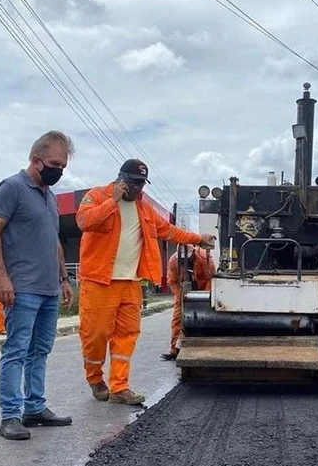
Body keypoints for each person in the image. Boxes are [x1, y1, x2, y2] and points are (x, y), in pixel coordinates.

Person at [76, 158, 216, 404]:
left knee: (127, 334)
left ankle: (120, 387)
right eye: (133, 183)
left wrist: (197, 238)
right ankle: (95, 379)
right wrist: (113, 201)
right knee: (95, 334)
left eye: (141, 184)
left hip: (130, 283)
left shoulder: (145, 210)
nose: (138, 189)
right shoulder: (97, 196)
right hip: (99, 282)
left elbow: (170, 231)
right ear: (121, 179)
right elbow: (84, 222)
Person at [0, 130, 75, 441]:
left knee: (40, 350)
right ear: (36, 160)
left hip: (49, 288)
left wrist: (63, 278)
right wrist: (1, 276)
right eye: (54, 164)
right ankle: (11, 415)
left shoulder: (50, 197)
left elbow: (54, 241)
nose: (58, 171)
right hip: (21, 287)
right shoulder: (11, 188)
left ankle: (34, 407)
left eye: (62, 166)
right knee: (17, 351)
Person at [161, 244, 215, 361]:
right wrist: (180, 296)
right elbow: (172, 281)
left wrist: (205, 296)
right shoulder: (174, 261)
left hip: (202, 289)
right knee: (177, 318)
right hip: (183, 290)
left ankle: (204, 345)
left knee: (205, 317)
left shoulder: (203, 258)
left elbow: (210, 278)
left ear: (193, 254)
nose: (185, 261)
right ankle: (174, 350)